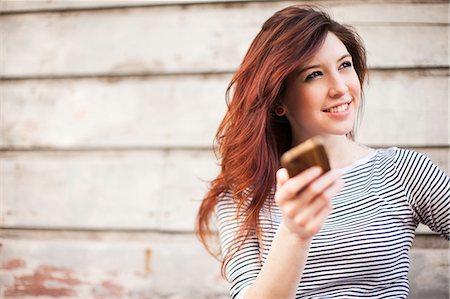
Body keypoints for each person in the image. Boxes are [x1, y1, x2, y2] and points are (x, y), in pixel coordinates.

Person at [195, 4, 449, 299]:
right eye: (314, 74)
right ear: (279, 101)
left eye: (344, 65)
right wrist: (294, 233)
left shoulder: (401, 171)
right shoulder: (243, 194)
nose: (340, 87)